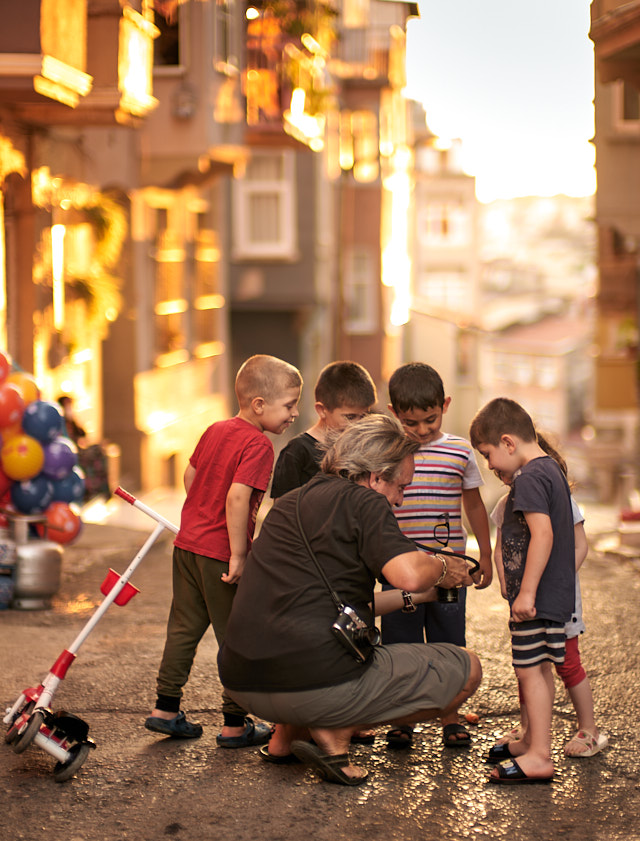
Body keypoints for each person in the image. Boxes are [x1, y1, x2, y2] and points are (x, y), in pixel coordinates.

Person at [217, 414, 482, 786]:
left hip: (242, 682)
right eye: (401, 486)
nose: (401, 499)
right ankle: (334, 734)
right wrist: (444, 567)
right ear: (375, 477)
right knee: (466, 667)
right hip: (318, 686)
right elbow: (407, 572)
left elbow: (336, 605)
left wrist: (420, 597)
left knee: (304, 643)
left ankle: (284, 739)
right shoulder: (365, 502)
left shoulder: (290, 504)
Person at [145, 354, 303, 747]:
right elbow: (237, 499)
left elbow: (191, 474)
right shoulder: (259, 446)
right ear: (259, 405)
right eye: (289, 405)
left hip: (187, 546)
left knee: (183, 627)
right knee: (237, 637)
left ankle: (165, 708)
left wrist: (200, 515)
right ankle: (235, 723)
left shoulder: (215, 430)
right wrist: (238, 554)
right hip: (220, 555)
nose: (294, 414)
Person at [380, 362, 492, 748]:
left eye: (431, 419)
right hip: (399, 572)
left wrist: (486, 556)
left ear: (444, 404)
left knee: (448, 641)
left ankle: (450, 714)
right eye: (413, 423)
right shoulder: (386, 454)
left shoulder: (459, 451)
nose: (424, 430)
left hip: (451, 572)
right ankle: (402, 718)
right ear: (394, 413)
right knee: (400, 646)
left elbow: (475, 506)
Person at [469, 397, 576, 784]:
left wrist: (526, 591)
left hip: (538, 598)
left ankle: (540, 755)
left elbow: (542, 534)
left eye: (488, 454)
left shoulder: (530, 477)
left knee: (529, 670)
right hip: (549, 597)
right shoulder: (548, 470)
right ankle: (533, 740)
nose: (490, 464)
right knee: (538, 669)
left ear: (508, 442)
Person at [492, 434, 608, 758]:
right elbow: (500, 547)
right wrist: (504, 581)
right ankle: (530, 729)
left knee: (567, 663)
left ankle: (589, 729)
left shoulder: (558, 497)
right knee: (528, 666)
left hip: (556, 600)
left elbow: (579, 545)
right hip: (525, 601)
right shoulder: (505, 505)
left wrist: (553, 582)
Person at [270, 360, 376, 499]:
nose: (357, 425)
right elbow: (282, 511)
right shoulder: (297, 452)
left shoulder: (363, 448)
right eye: (350, 417)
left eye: (363, 416)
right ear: (322, 410)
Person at [57, 394, 110, 500]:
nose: (70, 408)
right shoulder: (60, 423)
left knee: (98, 451)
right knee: (93, 456)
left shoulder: (72, 422)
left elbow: (82, 435)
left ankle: (102, 490)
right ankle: (92, 489)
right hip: (69, 453)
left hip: (77, 450)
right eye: (68, 405)